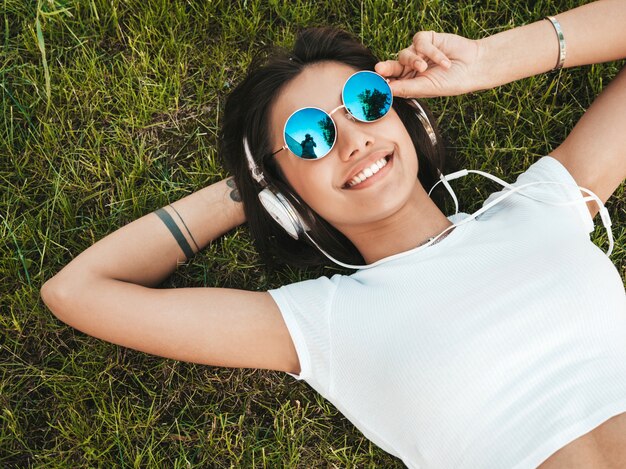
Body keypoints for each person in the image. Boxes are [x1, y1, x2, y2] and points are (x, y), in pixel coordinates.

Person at [41, 1, 626, 467]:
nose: (354, 141)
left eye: (365, 103)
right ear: (284, 195)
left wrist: (494, 59)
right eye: (309, 138)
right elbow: (77, 291)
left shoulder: (539, 206)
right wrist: (249, 188)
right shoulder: (324, 322)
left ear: (407, 116)